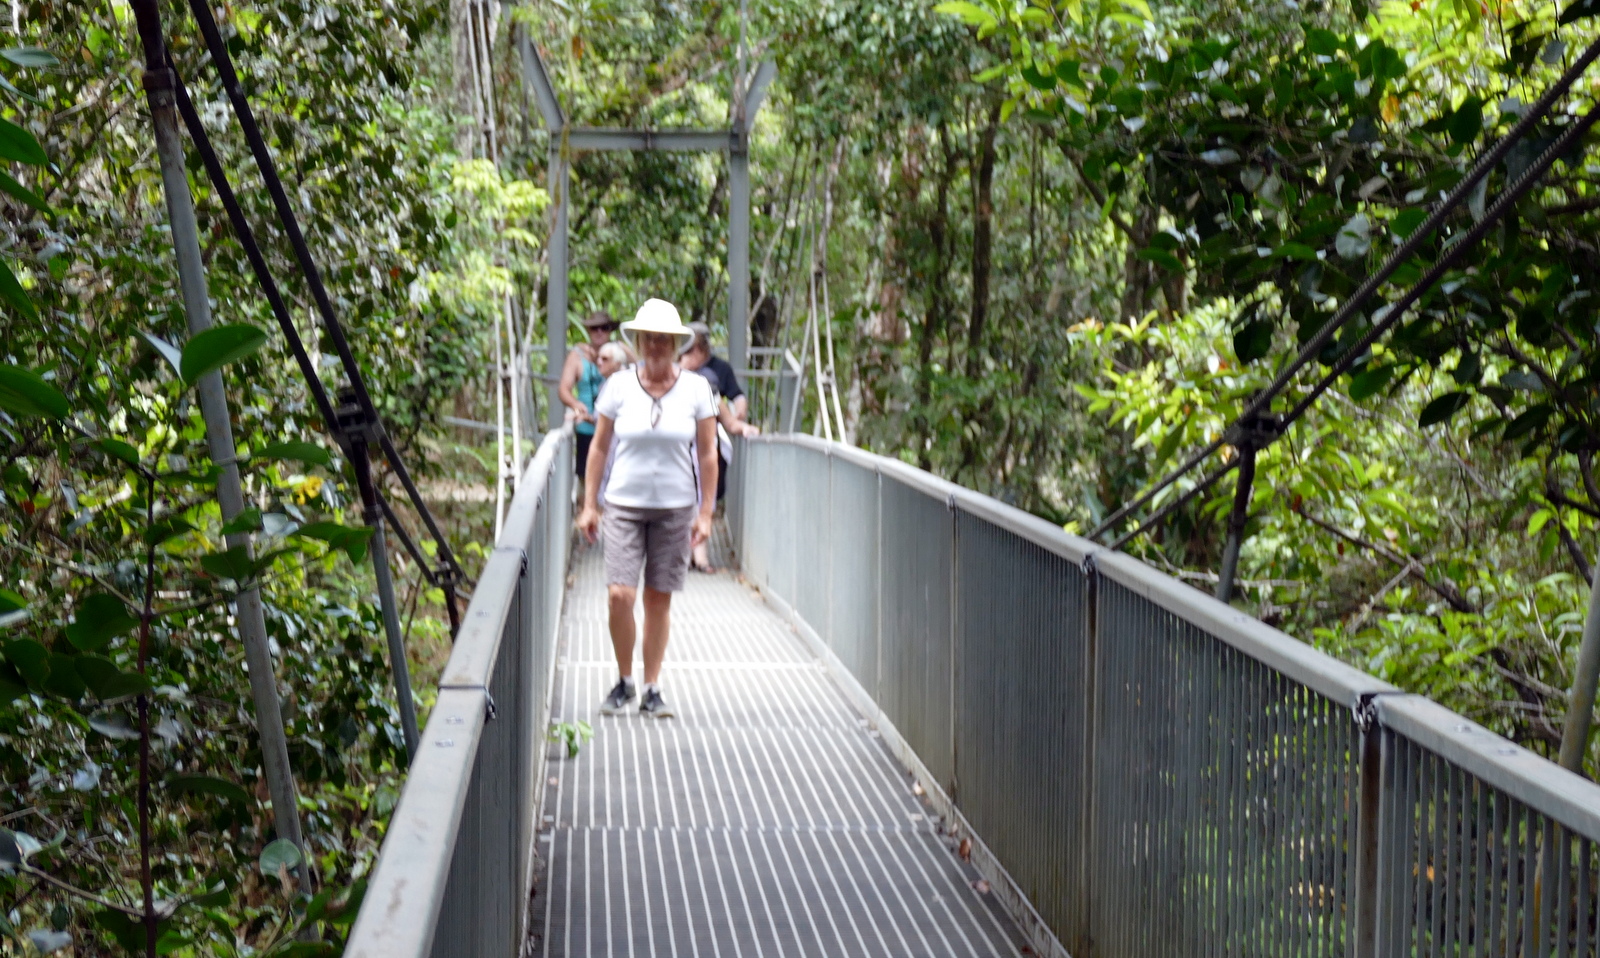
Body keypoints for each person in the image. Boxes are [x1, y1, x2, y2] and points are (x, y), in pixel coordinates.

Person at [577, 299, 717, 718]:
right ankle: (624, 680)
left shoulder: (696, 389)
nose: (655, 345)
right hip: (623, 503)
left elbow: (708, 455)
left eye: (664, 339)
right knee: (620, 594)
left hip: (675, 508)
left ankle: (652, 686)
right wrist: (590, 505)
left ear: (676, 345)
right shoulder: (618, 386)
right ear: (638, 342)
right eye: (649, 338)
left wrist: (705, 513)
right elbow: (599, 447)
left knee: (658, 599)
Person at [680, 322, 757, 572]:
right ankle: (686, 555)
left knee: (703, 499)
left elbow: (728, 415)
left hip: (704, 449)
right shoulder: (667, 379)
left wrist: (742, 425)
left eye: (690, 352)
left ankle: (699, 555)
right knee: (683, 500)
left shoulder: (710, 381)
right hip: (677, 451)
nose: (687, 357)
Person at [558, 310, 618, 482]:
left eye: (604, 328)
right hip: (587, 430)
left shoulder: (617, 354)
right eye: (594, 328)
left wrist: (619, 349)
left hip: (613, 431)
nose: (599, 332)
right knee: (587, 480)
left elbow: (640, 365)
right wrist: (576, 404)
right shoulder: (577, 356)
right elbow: (563, 389)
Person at [679, 321, 747, 422]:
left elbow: (736, 395)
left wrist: (740, 409)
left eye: (690, 350)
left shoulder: (721, 368)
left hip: (712, 422)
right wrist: (683, 369)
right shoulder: (675, 365)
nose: (686, 356)